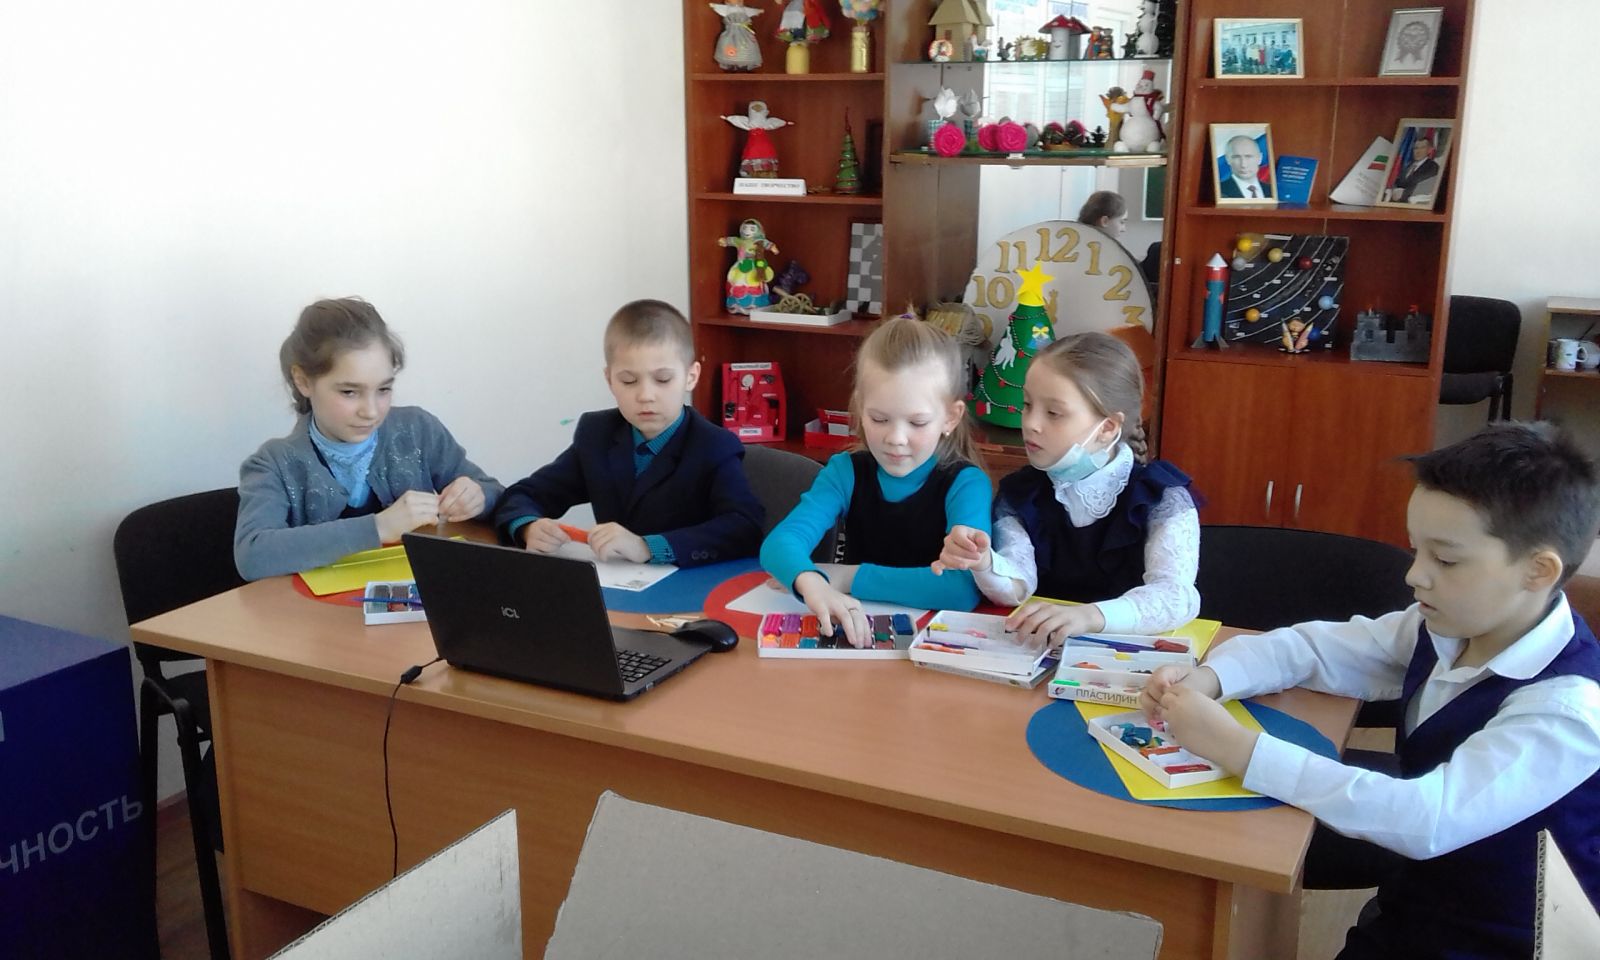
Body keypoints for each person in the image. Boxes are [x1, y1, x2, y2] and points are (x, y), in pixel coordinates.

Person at [1142, 422, 1600, 960]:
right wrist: (1211, 678)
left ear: (1538, 571)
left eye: (1445, 560)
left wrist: (1240, 750)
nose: (1415, 576)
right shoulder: (1445, 627)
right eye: (1416, 550)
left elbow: (1426, 818)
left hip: (1508, 940)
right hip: (1419, 907)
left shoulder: (1566, 709)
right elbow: (1313, 649)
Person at [935, 332, 1199, 640]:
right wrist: (984, 562)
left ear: (1107, 427)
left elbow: (1176, 597)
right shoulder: (1021, 493)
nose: (1030, 423)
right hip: (1040, 651)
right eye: (1027, 405)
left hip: (1128, 657)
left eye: (1054, 413)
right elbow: (1018, 585)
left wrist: (1090, 616)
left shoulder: (1161, 497)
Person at [761, 317, 991, 647]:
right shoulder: (845, 471)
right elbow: (780, 543)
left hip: (934, 646)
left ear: (950, 418)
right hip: (857, 640)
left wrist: (844, 576)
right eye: (879, 419)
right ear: (859, 407)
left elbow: (961, 589)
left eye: (917, 422)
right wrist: (810, 581)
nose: (895, 438)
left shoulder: (967, 484)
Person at [235, 298, 503, 580]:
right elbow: (252, 555)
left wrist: (478, 497)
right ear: (303, 381)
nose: (371, 411)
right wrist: (378, 527)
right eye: (349, 392)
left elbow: (496, 493)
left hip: (414, 603)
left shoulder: (419, 430)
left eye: (384, 389)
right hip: (312, 608)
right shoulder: (272, 464)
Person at [495, 299, 762, 567]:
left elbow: (745, 526)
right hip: (616, 584)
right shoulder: (596, 435)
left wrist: (648, 547)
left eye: (663, 380)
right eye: (629, 381)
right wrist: (528, 526)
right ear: (609, 380)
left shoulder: (714, 445)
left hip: (691, 585)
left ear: (691, 377)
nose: (645, 395)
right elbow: (523, 495)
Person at [1386, 135, 1439, 202]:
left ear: (1429, 150)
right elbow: (1398, 182)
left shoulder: (1432, 167)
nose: (1418, 151)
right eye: (1416, 148)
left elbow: (1426, 187)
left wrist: (1404, 193)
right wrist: (1393, 190)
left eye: (1422, 148)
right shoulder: (1408, 165)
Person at [1218, 134, 1271, 199]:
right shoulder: (1218, 191)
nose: (1243, 165)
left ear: (1260, 158)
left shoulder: (1272, 191)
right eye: (1236, 157)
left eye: (1248, 157)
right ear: (1227, 159)